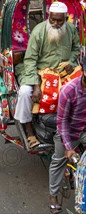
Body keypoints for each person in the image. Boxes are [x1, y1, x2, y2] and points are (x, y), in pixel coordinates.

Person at [14, 2, 80, 149]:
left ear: (66, 18)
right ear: (48, 17)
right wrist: (36, 85)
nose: (55, 23)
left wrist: (70, 62)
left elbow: (76, 48)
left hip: (61, 72)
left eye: (59, 20)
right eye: (52, 20)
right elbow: (30, 60)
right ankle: (29, 132)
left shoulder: (70, 29)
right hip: (37, 71)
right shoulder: (39, 31)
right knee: (25, 93)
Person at [48, 57, 86, 212]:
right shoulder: (69, 90)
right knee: (59, 161)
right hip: (69, 131)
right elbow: (62, 121)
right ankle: (53, 195)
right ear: (83, 71)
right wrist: (69, 147)